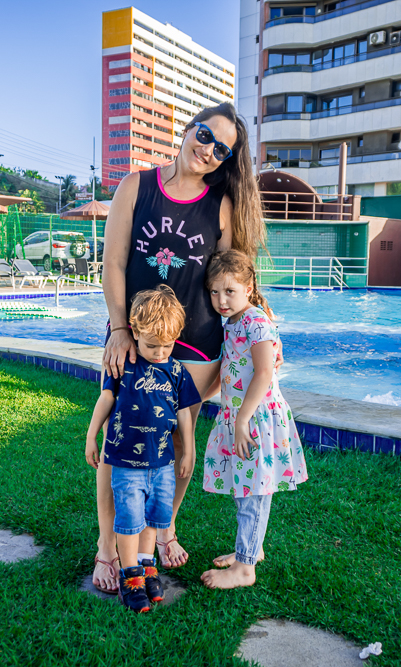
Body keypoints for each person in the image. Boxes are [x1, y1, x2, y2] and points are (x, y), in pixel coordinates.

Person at [91, 102, 266, 592]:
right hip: (136, 333)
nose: (208, 150)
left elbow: (234, 276)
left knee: (176, 443)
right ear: (189, 129)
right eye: (205, 135)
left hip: (198, 341)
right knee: (120, 441)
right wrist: (120, 329)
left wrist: (261, 328)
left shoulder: (222, 206)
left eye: (221, 149)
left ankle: (164, 527)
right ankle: (108, 547)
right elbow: (114, 264)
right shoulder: (136, 186)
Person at [85, 286, 201, 612]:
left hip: (161, 464)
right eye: (152, 345)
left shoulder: (176, 372)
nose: (160, 352)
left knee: (153, 518)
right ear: (134, 333)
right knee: (129, 519)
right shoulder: (123, 365)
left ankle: (147, 567)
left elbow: (184, 415)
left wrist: (189, 451)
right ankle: (130, 577)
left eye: (168, 345)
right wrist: (92, 436)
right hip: (125, 463)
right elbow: (105, 399)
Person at [199, 250, 308, 590]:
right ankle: (250, 550)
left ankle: (245, 569)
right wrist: (200, 399)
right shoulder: (234, 322)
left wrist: (241, 420)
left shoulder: (255, 322)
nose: (221, 300)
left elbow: (264, 373)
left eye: (229, 291)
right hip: (242, 416)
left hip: (255, 419)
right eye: (215, 292)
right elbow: (229, 369)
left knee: (252, 494)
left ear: (248, 288)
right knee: (245, 490)